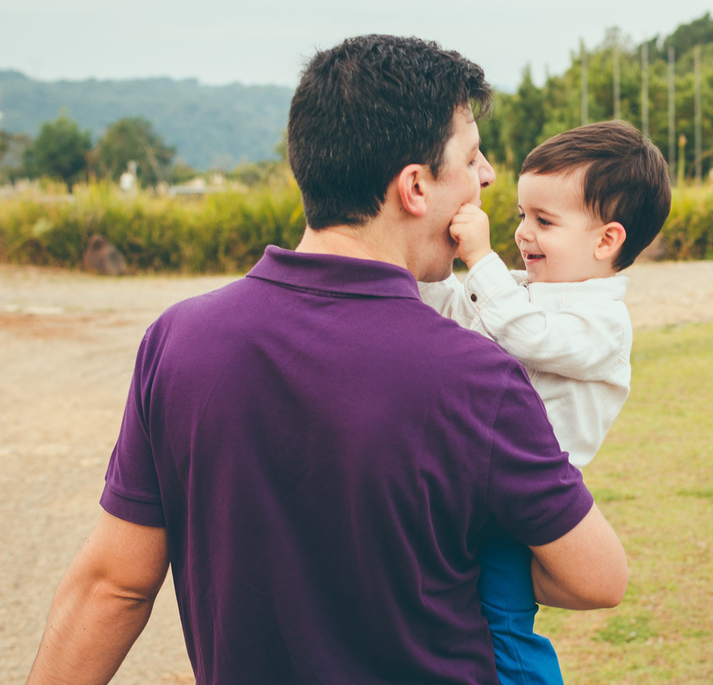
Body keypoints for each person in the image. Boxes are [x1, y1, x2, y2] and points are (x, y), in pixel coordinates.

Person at [25, 34, 627, 685]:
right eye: (472, 157)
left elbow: (112, 585)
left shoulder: (178, 341)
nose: (485, 177)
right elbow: (598, 576)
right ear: (416, 187)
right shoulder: (475, 377)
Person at [419, 120, 671, 684]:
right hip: (479, 488)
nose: (523, 235)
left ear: (607, 240)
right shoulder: (526, 292)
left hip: (523, 502)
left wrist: (479, 257)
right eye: (520, 217)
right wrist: (427, 267)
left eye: (544, 221)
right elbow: (465, 312)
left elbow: (525, 335)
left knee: (501, 621)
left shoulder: (602, 323)